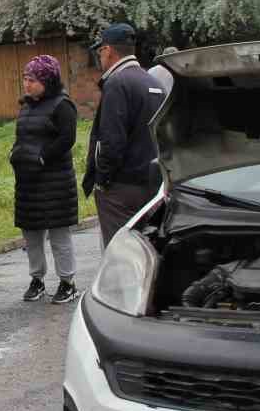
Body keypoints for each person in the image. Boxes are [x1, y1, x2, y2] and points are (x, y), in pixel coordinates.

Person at [81, 23, 162, 253]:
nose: (100, 58)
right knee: (147, 251)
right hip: (151, 183)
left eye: (100, 52)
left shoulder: (117, 83)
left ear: (107, 50)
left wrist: (102, 180)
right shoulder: (153, 82)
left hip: (121, 188)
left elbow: (111, 140)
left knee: (121, 254)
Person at [10, 56, 81, 305]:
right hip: (28, 183)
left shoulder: (62, 105)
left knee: (59, 235)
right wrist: (15, 154)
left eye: (32, 80)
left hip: (55, 182)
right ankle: (37, 279)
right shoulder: (27, 106)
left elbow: (67, 139)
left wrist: (42, 157)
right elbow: (22, 137)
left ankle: (67, 282)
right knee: (32, 235)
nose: (27, 84)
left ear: (47, 81)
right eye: (25, 79)